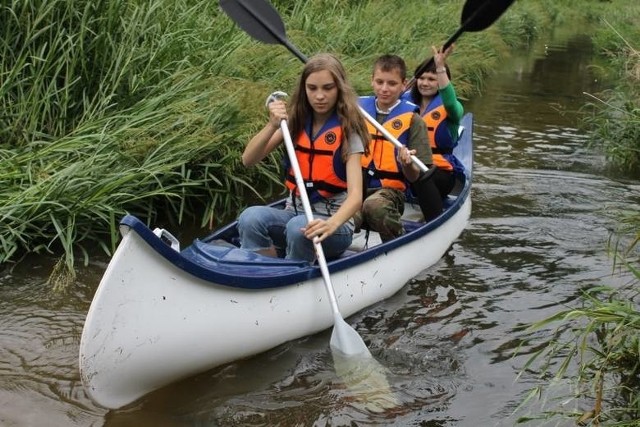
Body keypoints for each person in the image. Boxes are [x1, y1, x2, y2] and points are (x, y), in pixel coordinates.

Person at [237, 53, 370, 262]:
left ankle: (296, 276)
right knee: (249, 218)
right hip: (294, 213)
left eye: (328, 88)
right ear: (304, 89)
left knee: (298, 229)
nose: (319, 96)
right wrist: (272, 124)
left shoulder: (348, 130)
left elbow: (355, 197)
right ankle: (262, 270)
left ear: (339, 89)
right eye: (312, 88)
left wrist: (332, 224)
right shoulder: (294, 122)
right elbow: (248, 160)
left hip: (334, 225)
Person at [356, 54, 442, 242]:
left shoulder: (414, 120)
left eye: (392, 84)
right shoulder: (357, 111)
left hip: (390, 193)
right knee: (345, 214)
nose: (384, 89)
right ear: (372, 81)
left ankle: (397, 241)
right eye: (379, 82)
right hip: (355, 187)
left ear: (404, 85)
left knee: (374, 207)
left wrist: (407, 165)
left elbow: (416, 177)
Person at [405, 45, 465, 198]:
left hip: (439, 173)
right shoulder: (405, 103)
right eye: (422, 78)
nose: (425, 83)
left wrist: (440, 67)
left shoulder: (452, 108)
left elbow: (450, 102)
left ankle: (433, 218)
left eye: (432, 79)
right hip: (408, 166)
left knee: (422, 175)